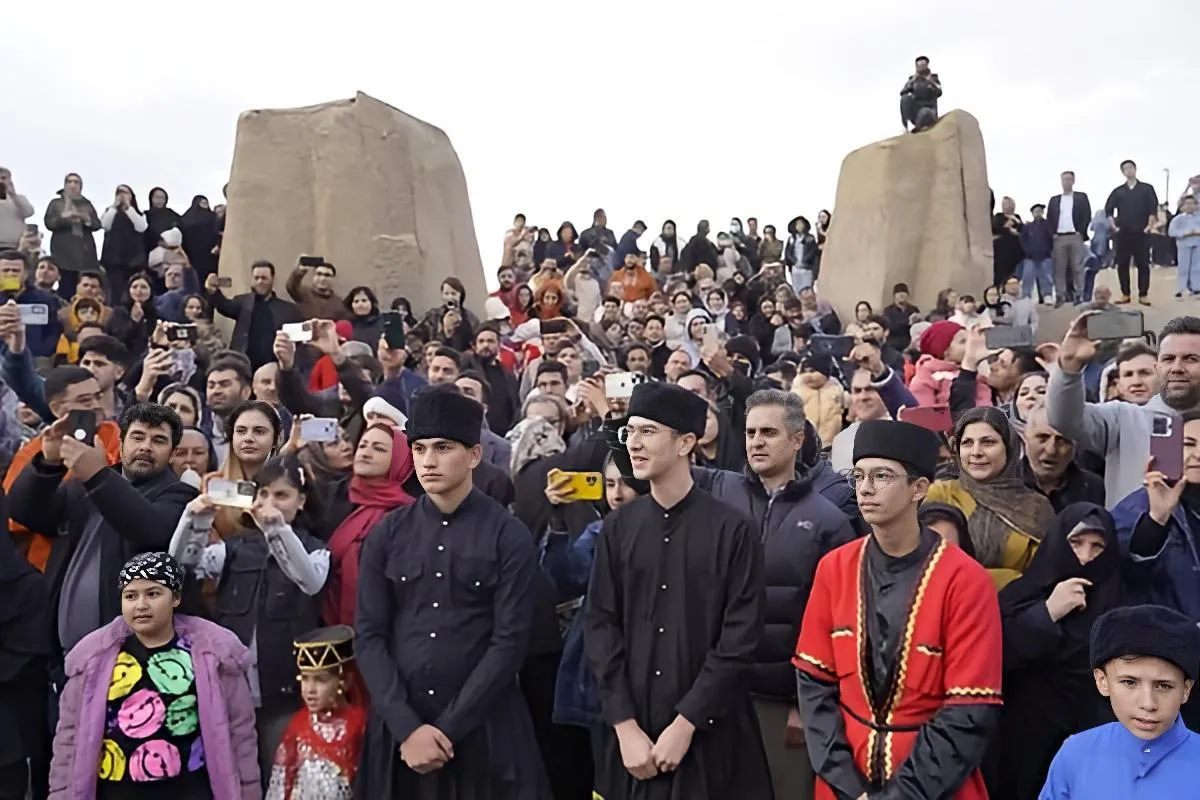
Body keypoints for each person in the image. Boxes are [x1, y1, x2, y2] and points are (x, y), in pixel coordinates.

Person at [354, 385, 551, 797]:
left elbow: (509, 643)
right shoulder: (387, 534)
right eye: (420, 449)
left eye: (443, 448)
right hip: (401, 732)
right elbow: (370, 635)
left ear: (474, 455)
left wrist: (445, 730)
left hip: (486, 732)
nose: (428, 461)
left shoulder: (508, 535)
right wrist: (407, 729)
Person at [795, 419, 1002, 800]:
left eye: (883, 476)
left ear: (918, 488)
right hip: (844, 782)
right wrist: (846, 784)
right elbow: (814, 685)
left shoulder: (966, 580)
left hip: (934, 784)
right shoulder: (834, 568)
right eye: (858, 476)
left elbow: (969, 710)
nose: (866, 488)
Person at [586, 381, 771, 799]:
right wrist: (624, 725)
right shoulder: (618, 527)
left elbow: (739, 639)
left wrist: (686, 723)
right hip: (631, 740)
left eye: (648, 431)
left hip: (710, 738)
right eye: (629, 431)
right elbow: (600, 626)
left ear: (686, 441)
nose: (634, 443)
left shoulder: (733, 530)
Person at [692, 389, 855, 799]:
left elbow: (840, 623)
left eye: (768, 432)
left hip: (783, 702)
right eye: (750, 432)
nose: (756, 442)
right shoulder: (719, 492)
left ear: (797, 440)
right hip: (717, 691)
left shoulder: (829, 521)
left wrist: (807, 704)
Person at [48, 552, 260, 799]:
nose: (141, 605)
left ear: (176, 598)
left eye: (152, 594)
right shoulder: (92, 659)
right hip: (117, 791)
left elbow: (240, 734)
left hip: (188, 789)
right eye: (131, 596)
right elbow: (68, 741)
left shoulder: (213, 655)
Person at [170, 456, 330, 776]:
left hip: (285, 693)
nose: (269, 504)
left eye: (281, 495)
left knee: (280, 777)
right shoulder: (234, 548)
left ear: (301, 501)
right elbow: (177, 568)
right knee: (232, 778)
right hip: (231, 689)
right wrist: (195, 519)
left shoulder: (316, 549)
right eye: (263, 495)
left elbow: (310, 581)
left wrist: (278, 530)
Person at [8, 403, 196, 655]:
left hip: (130, 653)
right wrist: (48, 462)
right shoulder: (84, 485)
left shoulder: (179, 495)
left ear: (173, 454)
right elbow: (26, 512)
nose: (145, 447)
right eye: (137, 437)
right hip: (63, 652)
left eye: (158, 440)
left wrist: (97, 476)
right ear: (121, 444)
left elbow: (150, 529)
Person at [992, 503, 1121, 800]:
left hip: (1092, 745)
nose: (1086, 557)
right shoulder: (1020, 595)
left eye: (1097, 546)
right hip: (1021, 743)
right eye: (1076, 543)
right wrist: (1046, 613)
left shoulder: (1120, 603)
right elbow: (994, 658)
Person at [1038, 605, 1200, 797]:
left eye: (1163, 686)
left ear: (1186, 689)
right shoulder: (1075, 754)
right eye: (1130, 682)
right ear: (1102, 681)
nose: (1148, 704)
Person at [1048, 313, 1200, 506]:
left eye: (1190, 359)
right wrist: (1069, 368)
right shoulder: (1123, 418)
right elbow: (1064, 420)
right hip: (1132, 535)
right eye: (1168, 359)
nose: (1177, 368)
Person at [924, 407, 1055, 588]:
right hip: (950, 607)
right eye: (968, 443)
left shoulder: (1036, 508)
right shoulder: (939, 495)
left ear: (1009, 448)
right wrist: (1008, 577)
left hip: (1016, 610)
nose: (976, 452)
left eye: (988, 442)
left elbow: (1042, 577)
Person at [322, 424, 415, 625]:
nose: (366, 452)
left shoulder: (408, 515)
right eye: (363, 445)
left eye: (379, 448)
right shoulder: (336, 497)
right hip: (328, 630)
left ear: (400, 461)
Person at [265, 626, 367, 800]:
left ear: (345, 681)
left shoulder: (362, 729)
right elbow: (281, 788)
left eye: (321, 680)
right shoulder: (296, 730)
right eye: (304, 678)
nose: (310, 689)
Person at [203, 262, 301, 371]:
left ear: (273, 280)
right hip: (244, 364)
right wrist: (213, 291)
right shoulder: (243, 302)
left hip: (273, 367)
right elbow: (224, 306)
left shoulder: (287, 309)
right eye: (256, 278)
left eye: (264, 278)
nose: (260, 282)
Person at [42, 173, 101, 300]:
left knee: (86, 289)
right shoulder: (56, 204)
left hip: (85, 256)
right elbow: (49, 223)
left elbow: (97, 224)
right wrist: (64, 218)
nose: (73, 185)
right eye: (69, 182)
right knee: (66, 289)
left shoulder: (86, 204)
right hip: (63, 255)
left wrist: (86, 219)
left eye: (76, 182)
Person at [1047, 170, 1093, 306]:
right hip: (1059, 237)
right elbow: (1050, 218)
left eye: (1069, 179)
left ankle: (1079, 294)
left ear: (1073, 181)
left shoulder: (1081, 197)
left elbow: (1087, 215)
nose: (1066, 182)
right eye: (1064, 180)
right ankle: (1060, 295)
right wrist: (1053, 234)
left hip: (1075, 236)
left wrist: (1081, 231)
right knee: (1059, 268)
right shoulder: (1054, 200)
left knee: (1077, 267)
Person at [899, 55, 941, 131]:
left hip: (929, 110)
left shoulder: (934, 78)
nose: (921, 67)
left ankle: (918, 129)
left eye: (923, 65)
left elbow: (939, 92)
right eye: (919, 65)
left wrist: (929, 81)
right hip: (916, 109)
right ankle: (907, 125)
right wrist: (913, 81)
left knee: (925, 112)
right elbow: (903, 92)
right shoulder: (912, 79)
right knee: (905, 99)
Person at [1169, 194, 1200, 297]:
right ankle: (1182, 288)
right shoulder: (1178, 219)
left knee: (1196, 266)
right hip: (1184, 244)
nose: (1189, 206)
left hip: (1197, 243)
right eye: (1187, 204)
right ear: (1182, 206)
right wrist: (1185, 233)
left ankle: (1196, 287)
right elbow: (1171, 232)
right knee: (1183, 266)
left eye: (1192, 203)